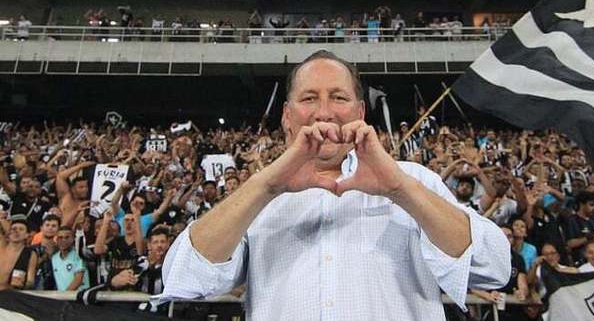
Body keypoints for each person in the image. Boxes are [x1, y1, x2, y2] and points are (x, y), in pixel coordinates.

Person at [159, 50, 511, 319]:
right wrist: (265, 188)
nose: (324, 112)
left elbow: (493, 267)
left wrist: (400, 191)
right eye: (309, 98)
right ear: (287, 115)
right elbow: (185, 277)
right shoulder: (259, 194)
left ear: (360, 113)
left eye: (338, 98)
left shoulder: (413, 181)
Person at [0, 217, 38, 290]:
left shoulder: (30, 253)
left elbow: (30, 280)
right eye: (14, 229)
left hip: (11, 295)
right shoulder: (2, 246)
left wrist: (24, 284)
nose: (16, 231)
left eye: (21, 229)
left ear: (27, 235)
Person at [51, 225, 90, 291]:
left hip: (78, 297)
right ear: (57, 240)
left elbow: (78, 280)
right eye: (60, 237)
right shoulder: (54, 258)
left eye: (67, 237)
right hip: (62, 298)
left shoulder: (79, 255)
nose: (63, 240)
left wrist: (64, 295)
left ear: (73, 239)